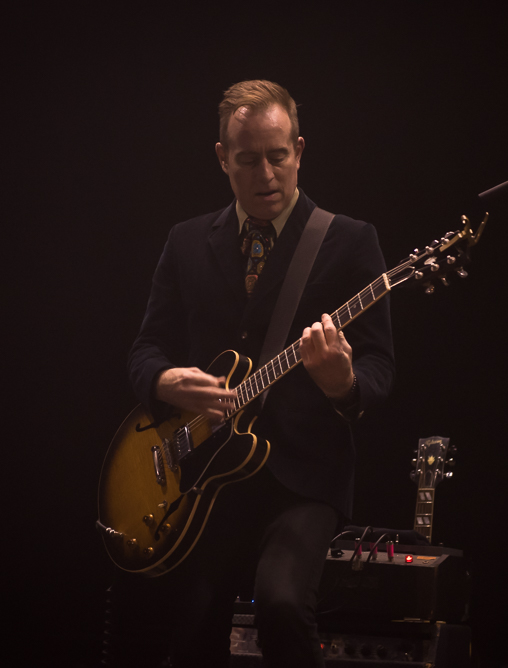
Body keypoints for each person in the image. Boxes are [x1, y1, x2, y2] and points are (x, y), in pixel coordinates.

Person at [115, 80, 395, 668]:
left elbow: (378, 368)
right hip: (203, 474)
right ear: (222, 158)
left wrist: (341, 381)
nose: (266, 174)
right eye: (248, 160)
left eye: (278, 156)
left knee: (283, 605)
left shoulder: (348, 241)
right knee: (185, 619)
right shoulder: (186, 241)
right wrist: (163, 381)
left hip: (303, 477)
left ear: (299, 149)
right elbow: (146, 347)